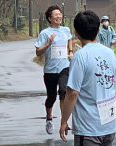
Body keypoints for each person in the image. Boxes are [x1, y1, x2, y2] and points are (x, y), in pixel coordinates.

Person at [59, 10, 116, 146]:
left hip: (88, 128)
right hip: (109, 125)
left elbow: (72, 93)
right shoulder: (110, 53)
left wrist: (63, 121)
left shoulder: (80, 57)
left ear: (76, 32)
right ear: (98, 29)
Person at [35, 5, 73, 134]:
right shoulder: (45, 33)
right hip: (50, 71)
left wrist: (71, 50)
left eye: (60, 14)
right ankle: (49, 117)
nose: (59, 16)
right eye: (56, 15)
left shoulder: (66, 30)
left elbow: (70, 40)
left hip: (64, 67)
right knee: (51, 97)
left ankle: (64, 122)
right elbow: (38, 53)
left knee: (63, 92)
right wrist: (48, 44)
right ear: (49, 18)